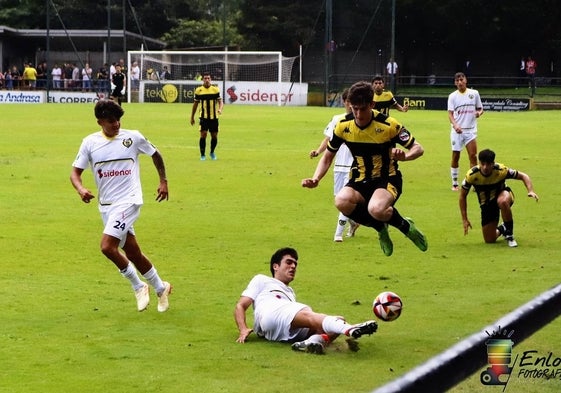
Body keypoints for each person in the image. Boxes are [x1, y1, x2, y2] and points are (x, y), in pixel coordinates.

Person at [302, 81, 428, 257]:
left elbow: (418, 148)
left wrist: (405, 156)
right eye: (354, 109)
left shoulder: (388, 125)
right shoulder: (343, 126)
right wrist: (316, 178)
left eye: (363, 109)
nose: (358, 114)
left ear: (372, 104)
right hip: (359, 179)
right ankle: (380, 228)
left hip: (387, 178)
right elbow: (328, 156)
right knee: (341, 201)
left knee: (376, 209)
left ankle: (407, 227)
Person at [69, 99, 172, 312]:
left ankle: (138, 285)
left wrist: (163, 181)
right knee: (133, 253)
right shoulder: (89, 143)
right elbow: (75, 173)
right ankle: (161, 288)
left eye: (118, 120)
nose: (116, 124)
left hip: (130, 201)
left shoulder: (132, 137)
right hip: (107, 206)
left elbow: (156, 154)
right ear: (100, 122)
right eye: (111, 121)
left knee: (107, 247)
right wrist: (80, 189)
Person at [234, 247, 378, 354]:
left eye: (295, 264)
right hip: (271, 313)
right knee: (310, 316)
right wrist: (243, 329)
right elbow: (241, 305)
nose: (293, 267)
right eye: (289, 262)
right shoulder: (262, 279)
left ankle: (310, 342)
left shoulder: (290, 293)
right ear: (275, 266)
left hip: (277, 333)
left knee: (336, 321)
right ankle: (350, 329)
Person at [459, 149, 538, 248]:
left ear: (493, 163)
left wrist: (530, 190)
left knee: (502, 201)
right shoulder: (472, 175)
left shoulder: (501, 170)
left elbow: (523, 176)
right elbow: (462, 196)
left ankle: (510, 235)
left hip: (504, 195)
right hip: (487, 205)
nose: (485, 167)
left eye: (488, 164)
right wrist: (465, 219)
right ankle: (503, 228)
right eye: (483, 164)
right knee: (489, 239)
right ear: (479, 163)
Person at [310, 88, 359, 242]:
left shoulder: (360, 120)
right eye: (349, 101)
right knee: (340, 202)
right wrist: (318, 152)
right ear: (344, 102)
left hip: (354, 167)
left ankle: (338, 234)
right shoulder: (337, 119)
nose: (351, 105)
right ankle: (354, 222)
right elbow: (328, 140)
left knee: (344, 200)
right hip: (338, 166)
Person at [447, 72, 483, 191]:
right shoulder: (452, 96)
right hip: (457, 131)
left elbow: (480, 108)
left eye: (461, 80)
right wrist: (455, 125)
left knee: (473, 156)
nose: (460, 82)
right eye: (457, 81)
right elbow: (450, 114)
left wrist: (479, 113)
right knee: (456, 156)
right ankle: (455, 183)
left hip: (470, 131)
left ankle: (473, 182)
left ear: (466, 80)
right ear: (455, 83)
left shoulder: (474, 93)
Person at [190, 71, 224, 160]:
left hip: (214, 117)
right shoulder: (199, 90)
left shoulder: (215, 89)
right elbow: (195, 104)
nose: (207, 80)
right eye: (205, 78)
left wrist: (220, 109)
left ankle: (212, 152)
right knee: (203, 134)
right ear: (202, 80)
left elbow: (220, 101)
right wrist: (192, 117)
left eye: (208, 78)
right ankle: (202, 155)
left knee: (214, 136)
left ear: (211, 79)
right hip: (203, 117)